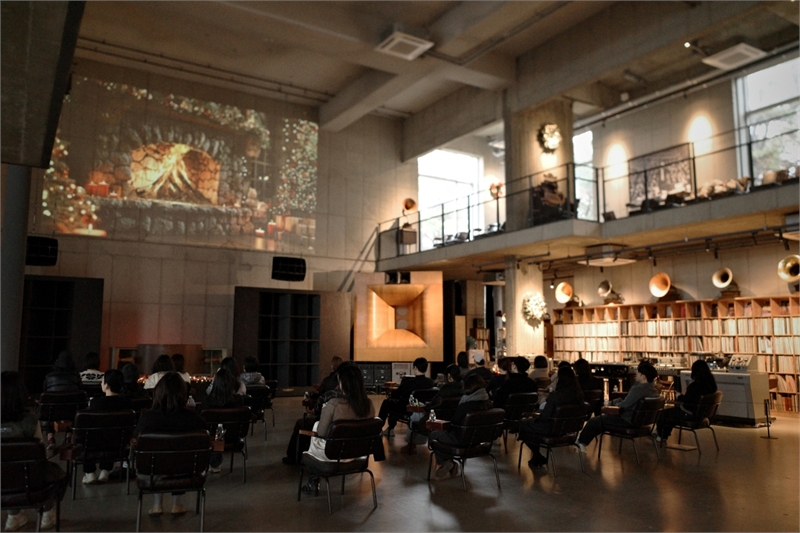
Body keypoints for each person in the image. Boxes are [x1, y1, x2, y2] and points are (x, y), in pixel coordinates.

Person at [133, 372, 207, 516]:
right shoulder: (194, 419)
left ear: (157, 393)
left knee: (157, 458)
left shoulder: (147, 419)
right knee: (179, 458)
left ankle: (157, 505)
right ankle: (176, 504)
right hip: (188, 473)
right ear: (184, 394)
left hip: (150, 474)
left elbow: (136, 439)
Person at [2, 371, 67, 531]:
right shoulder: (30, 421)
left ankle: (14, 516)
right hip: (30, 483)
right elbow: (40, 455)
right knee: (54, 475)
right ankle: (47, 513)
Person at [302, 364, 377, 494]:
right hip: (358, 456)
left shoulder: (334, 405)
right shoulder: (369, 405)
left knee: (315, 429)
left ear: (342, 382)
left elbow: (321, 433)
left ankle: (312, 482)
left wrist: (324, 413)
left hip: (333, 456)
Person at [576, 361, 660, 452]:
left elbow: (624, 405)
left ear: (643, 376)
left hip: (627, 420)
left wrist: (612, 405)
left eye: (638, 372)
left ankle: (581, 442)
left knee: (594, 421)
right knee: (601, 422)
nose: (636, 373)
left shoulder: (638, 389)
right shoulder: (654, 390)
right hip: (641, 422)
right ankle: (582, 440)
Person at [429, 374, 494, 479]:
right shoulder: (489, 404)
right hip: (481, 442)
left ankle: (447, 462)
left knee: (434, 435)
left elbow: (453, 425)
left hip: (462, 440)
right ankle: (449, 464)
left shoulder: (465, 406)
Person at [519, 366, 584, 468]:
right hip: (568, 429)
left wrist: (535, 417)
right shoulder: (579, 395)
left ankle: (537, 454)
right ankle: (536, 457)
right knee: (526, 426)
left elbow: (545, 417)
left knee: (523, 425)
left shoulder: (555, 396)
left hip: (551, 428)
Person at [82, 369, 133, 484]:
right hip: (119, 445)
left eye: (102, 381)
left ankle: (90, 473)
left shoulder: (95, 403)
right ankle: (105, 470)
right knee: (111, 434)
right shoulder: (127, 403)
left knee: (90, 435)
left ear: (107, 385)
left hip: (94, 446)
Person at [401, 364, 464, 454]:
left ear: (449, 376)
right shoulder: (463, 389)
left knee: (417, 412)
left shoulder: (444, 390)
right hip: (454, 422)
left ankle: (411, 445)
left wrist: (425, 405)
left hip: (436, 420)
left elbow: (431, 406)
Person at [656, 360, 718, 441]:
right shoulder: (712, 386)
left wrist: (679, 396)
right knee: (670, 414)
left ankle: (662, 435)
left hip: (689, 414)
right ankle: (663, 434)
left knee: (664, 413)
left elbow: (687, 402)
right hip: (702, 415)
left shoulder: (694, 386)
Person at [199, 368, 244, 473]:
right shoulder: (238, 401)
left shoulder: (206, 403)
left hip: (210, 440)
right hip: (232, 439)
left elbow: (201, 424)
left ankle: (214, 461)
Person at [377, 357, 436, 437]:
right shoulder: (431, 382)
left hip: (407, 409)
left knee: (388, 402)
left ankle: (386, 428)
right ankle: (390, 429)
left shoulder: (409, 383)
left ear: (415, 368)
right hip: (424, 409)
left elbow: (396, 395)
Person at [42, 350, 83, 448]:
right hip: (71, 411)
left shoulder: (49, 377)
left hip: (52, 412)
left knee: (48, 413)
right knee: (73, 413)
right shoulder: (75, 377)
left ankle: (51, 438)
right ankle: (68, 437)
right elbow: (81, 391)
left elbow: (45, 392)